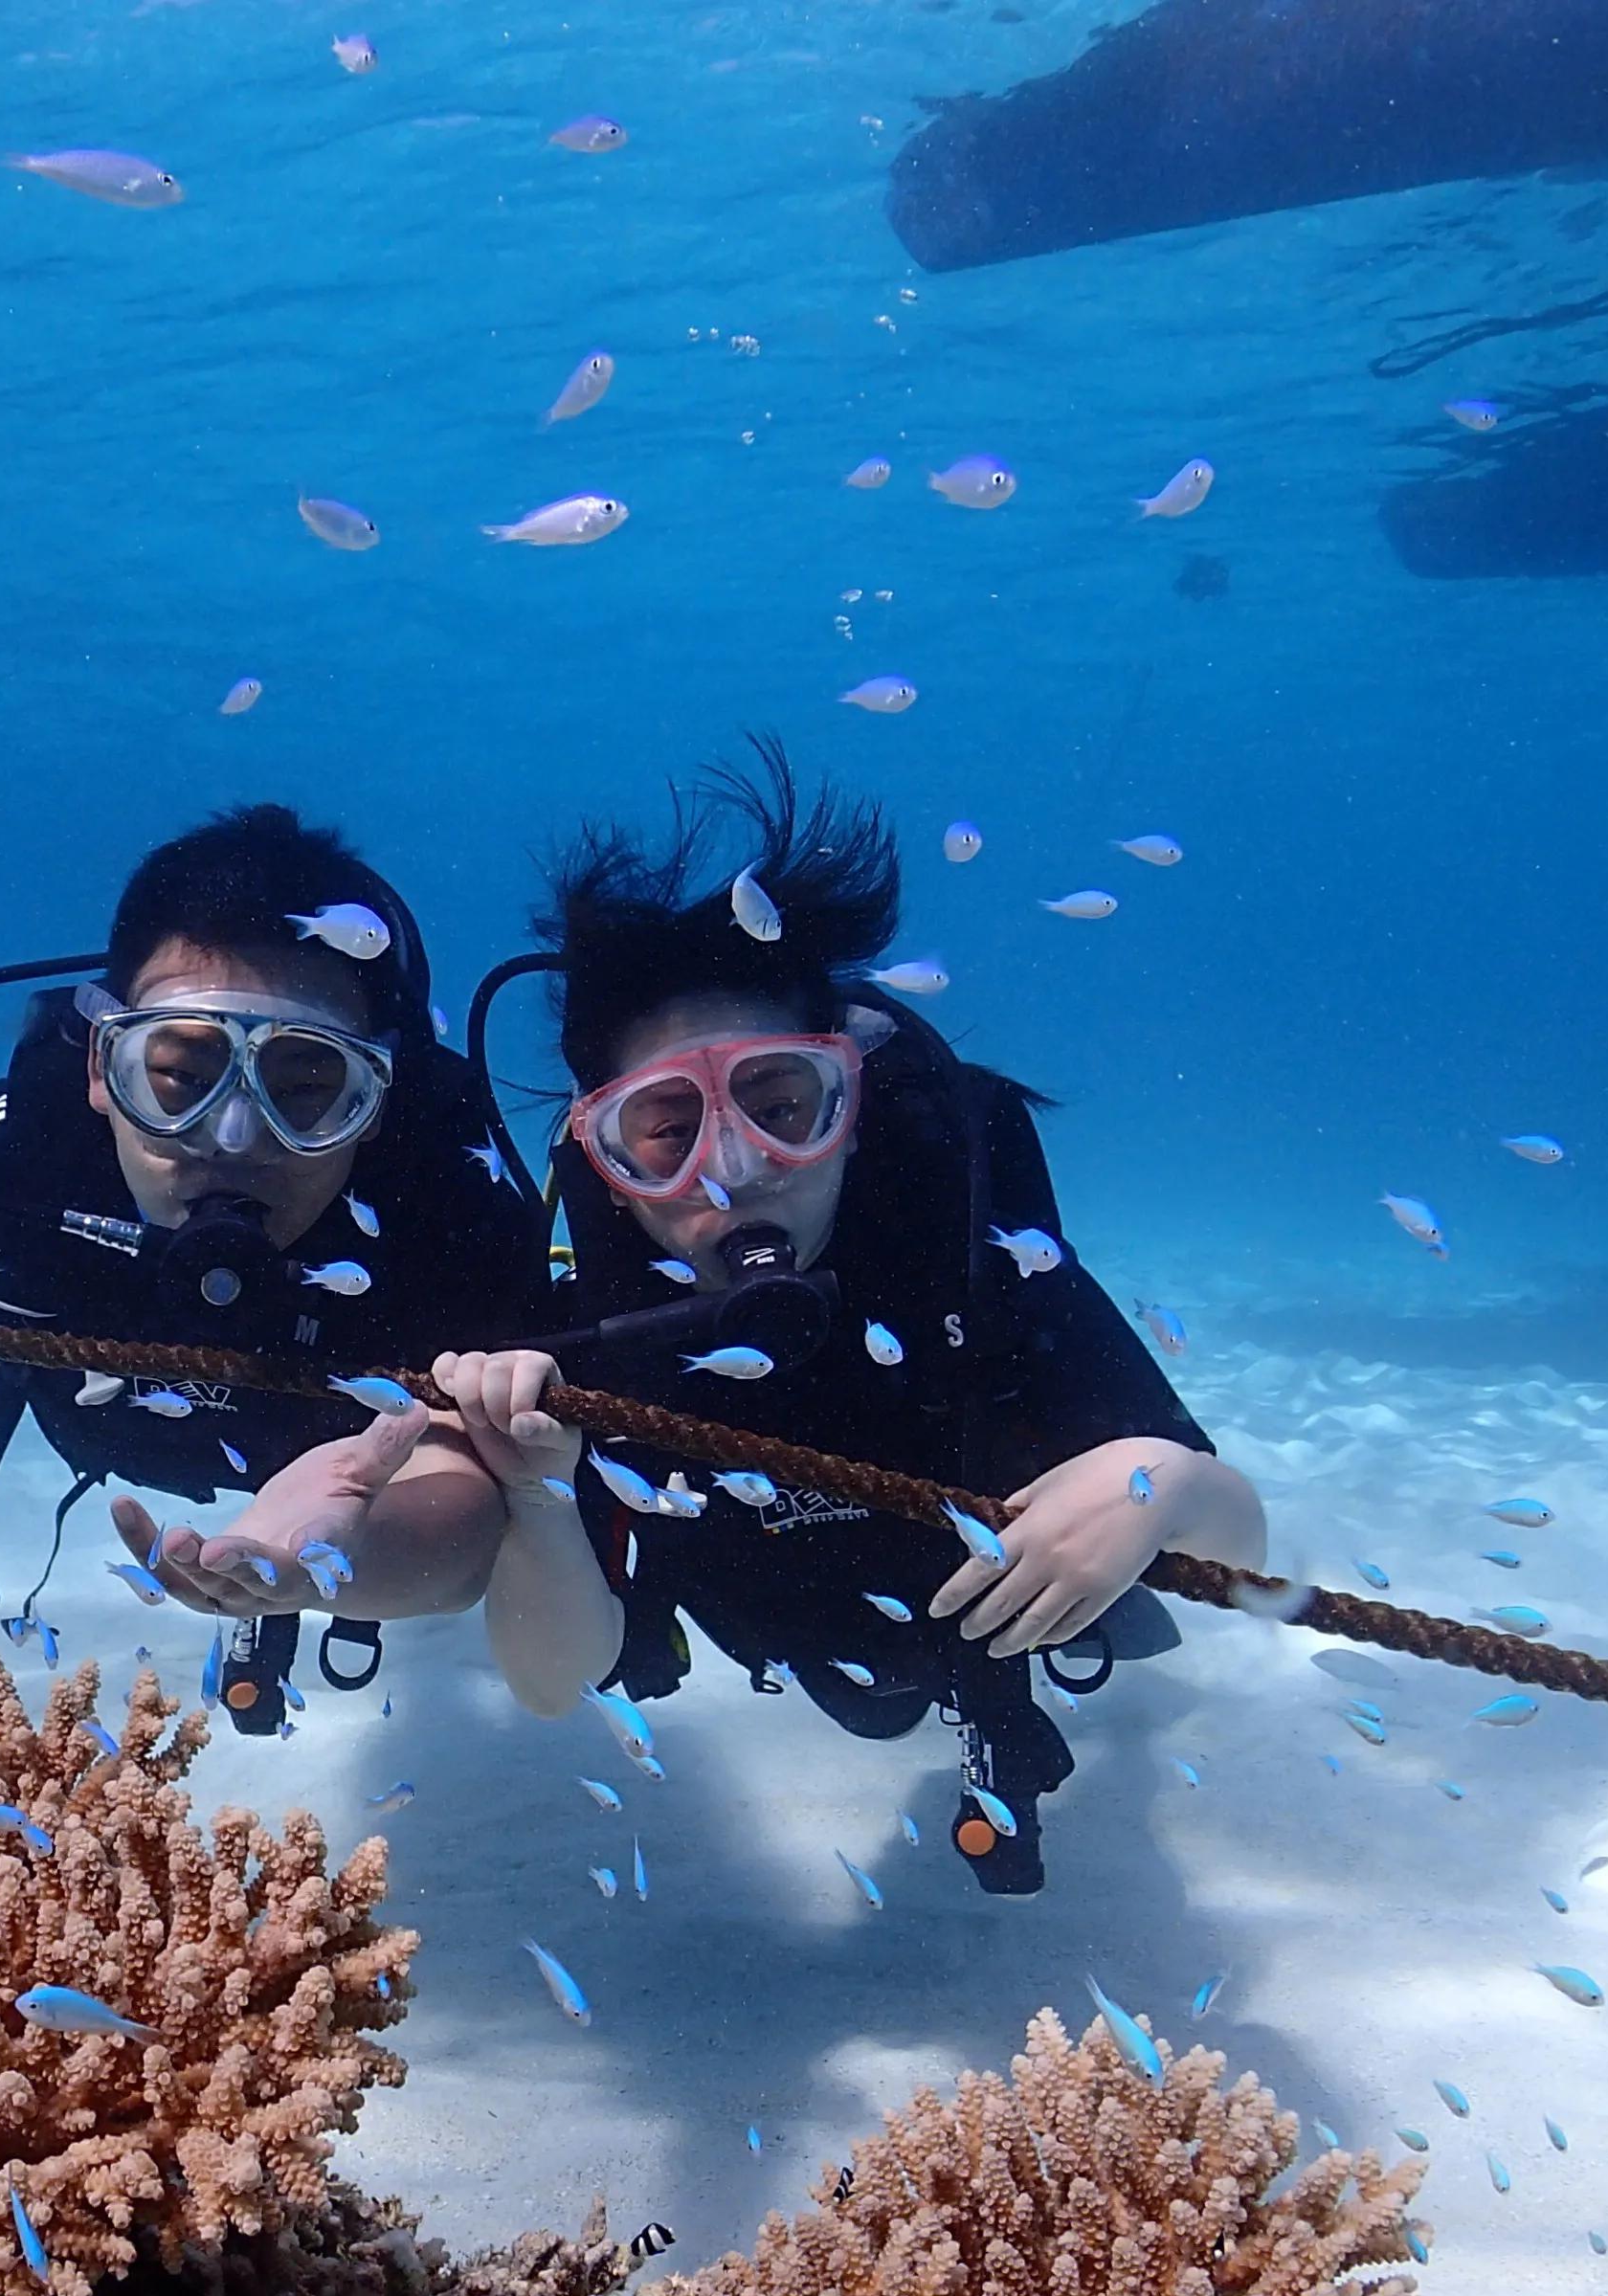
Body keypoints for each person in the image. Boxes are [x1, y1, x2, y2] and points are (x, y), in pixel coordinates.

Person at [423, 747, 1266, 1894]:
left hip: (986, 1630)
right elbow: (546, 1682)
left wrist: (1151, 1483)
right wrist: (530, 1491)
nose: (735, 1170)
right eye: (663, 1130)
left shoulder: (964, 1269)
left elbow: (1245, 1552)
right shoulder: (582, 1339)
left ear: (849, 1107)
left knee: (1099, 1620)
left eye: (779, 1107)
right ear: (603, 1163)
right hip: (764, 1622)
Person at [0, 804, 546, 1722]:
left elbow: (467, 1518)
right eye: (181, 1076)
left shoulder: (445, 1214)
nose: (233, 1138)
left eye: (308, 1088)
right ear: (103, 1070)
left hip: (341, 1489)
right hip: (101, 1426)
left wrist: (326, 1567)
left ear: (378, 1103)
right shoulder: (15, 1154)